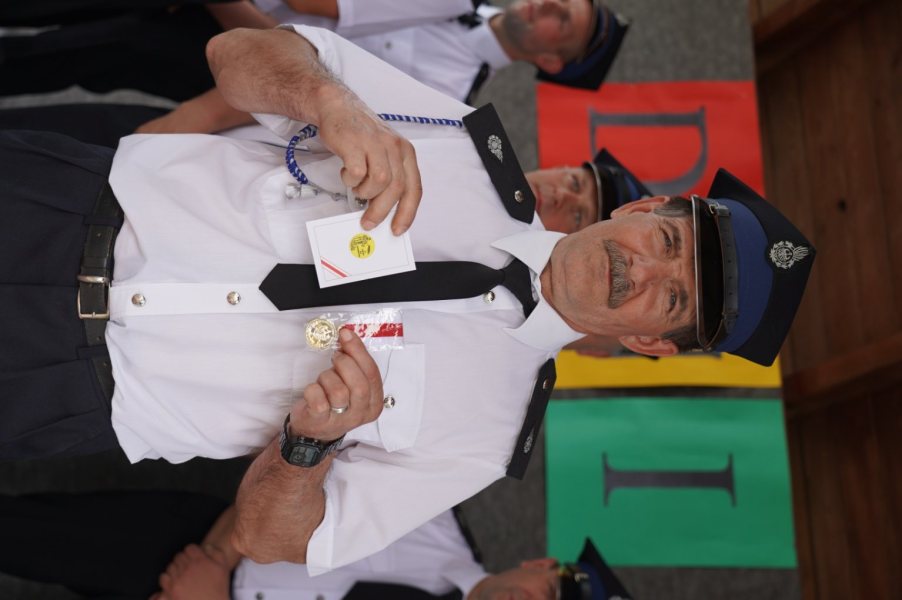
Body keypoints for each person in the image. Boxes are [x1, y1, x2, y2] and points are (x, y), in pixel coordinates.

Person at [0, 25, 815, 573]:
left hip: (61, 388)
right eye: (666, 243)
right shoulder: (464, 144)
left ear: (651, 345)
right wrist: (328, 102)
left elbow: (275, 541)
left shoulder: (486, 440)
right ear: (644, 209)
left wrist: (308, 447)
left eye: (672, 301)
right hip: (60, 208)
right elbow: (235, 53)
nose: (641, 271)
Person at [0, 490, 632, 600]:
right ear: (541, 564)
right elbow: (298, 463)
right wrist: (215, 563)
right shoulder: (430, 510)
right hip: (191, 545)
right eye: (552, 594)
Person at [0, 0, 627, 106]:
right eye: (560, 0)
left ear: (552, 64)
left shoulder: (446, 98)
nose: (546, 6)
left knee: (72, 54)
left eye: (561, 21)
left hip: (222, 56)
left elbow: (302, 65)